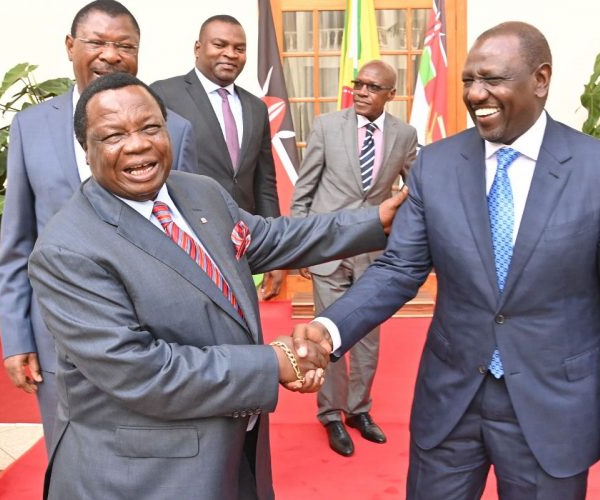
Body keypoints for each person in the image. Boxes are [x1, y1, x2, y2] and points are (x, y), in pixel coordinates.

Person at [293, 21, 600, 500]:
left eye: (492, 79)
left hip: (553, 409)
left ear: (541, 79)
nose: (475, 93)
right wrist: (330, 328)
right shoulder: (436, 164)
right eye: (468, 80)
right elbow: (399, 269)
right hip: (451, 401)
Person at [26, 72, 406, 499]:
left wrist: (377, 221)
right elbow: (143, 372)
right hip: (145, 477)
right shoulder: (67, 250)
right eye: (113, 135)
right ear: (87, 149)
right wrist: (273, 364)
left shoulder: (200, 193)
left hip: (231, 450)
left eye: (150, 127)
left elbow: (273, 238)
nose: (137, 144)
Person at [0, 0, 196, 448]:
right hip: (57, 333)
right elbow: (17, 243)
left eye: (125, 45)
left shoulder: (173, 131)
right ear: (70, 47)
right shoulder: (30, 127)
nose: (111, 54)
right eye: (98, 42)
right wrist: (15, 337)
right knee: (69, 452)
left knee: (154, 454)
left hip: (151, 339)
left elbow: (187, 237)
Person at [290, 60, 417, 457]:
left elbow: (418, 187)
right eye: (357, 84)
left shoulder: (405, 135)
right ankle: (330, 414)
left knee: (366, 338)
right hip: (328, 249)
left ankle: (358, 410)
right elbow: (305, 187)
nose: (361, 91)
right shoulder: (327, 126)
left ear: (390, 95)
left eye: (372, 87)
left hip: (374, 253)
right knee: (327, 333)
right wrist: (299, 242)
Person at [151, 14, 286, 300]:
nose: (230, 54)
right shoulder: (164, 94)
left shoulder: (256, 107)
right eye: (220, 44)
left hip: (242, 245)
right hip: (186, 243)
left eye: (239, 48)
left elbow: (264, 183)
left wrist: (276, 250)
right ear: (198, 48)